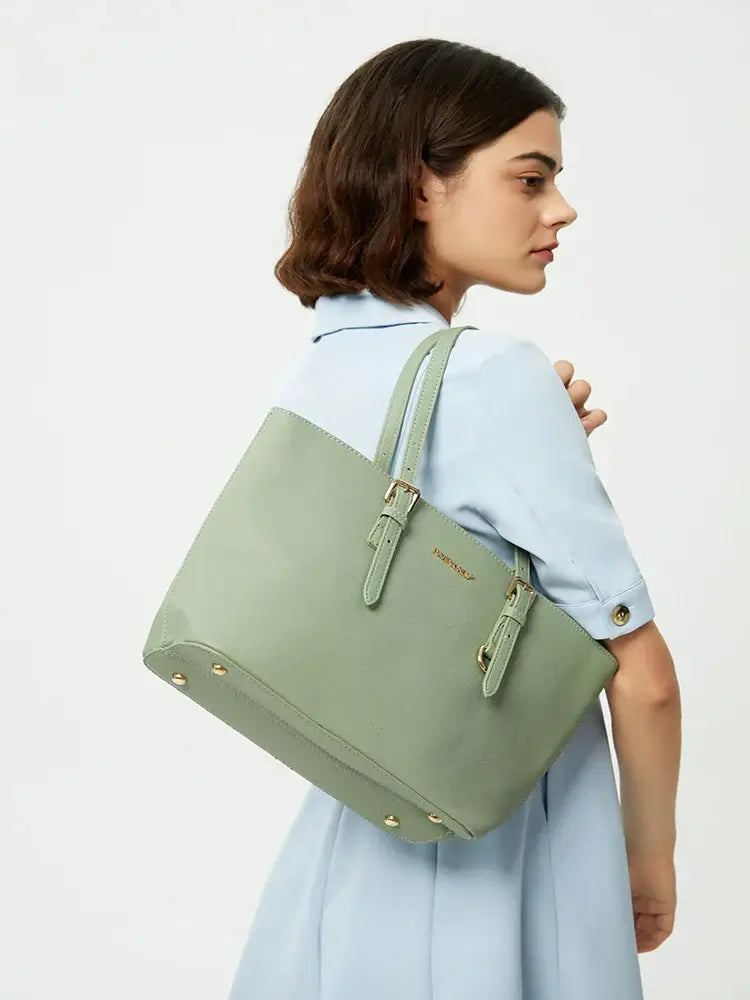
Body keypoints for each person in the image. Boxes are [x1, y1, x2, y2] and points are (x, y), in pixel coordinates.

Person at [228, 38, 681, 1000]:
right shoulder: (491, 376)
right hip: (508, 856)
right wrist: (649, 869)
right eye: (530, 179)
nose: (560, 210)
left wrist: (535, 443)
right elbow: (642, 680)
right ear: (420, 185)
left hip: (346, 863)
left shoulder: (318, 364)